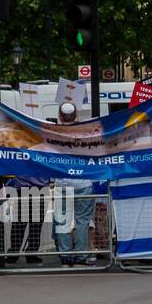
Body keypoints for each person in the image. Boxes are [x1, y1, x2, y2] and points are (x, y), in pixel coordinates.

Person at [52, 102, 97, 267]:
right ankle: (81, 256)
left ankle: (65, 256)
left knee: (63, 221)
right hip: (83, 182)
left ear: (60, 116)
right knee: (82, 221)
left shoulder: (53, 134)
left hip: (62, 184)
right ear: (76, 116)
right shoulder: (85, 134)